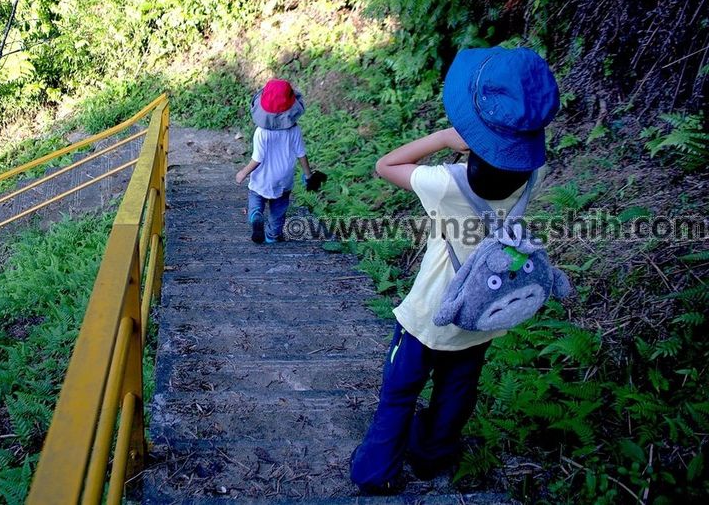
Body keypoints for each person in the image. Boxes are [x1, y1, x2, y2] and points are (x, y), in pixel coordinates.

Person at [349, 47, 561, 494]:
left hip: (429, 314)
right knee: (456, 393)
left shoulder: (446, 184)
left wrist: (446, 138)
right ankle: (430, 459)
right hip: (482, 312)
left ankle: (375, 472)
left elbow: (386, 165)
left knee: (400, 391)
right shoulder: (529, 180)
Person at [235, 79, 315, 244]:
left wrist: (243, 172)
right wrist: (308, 175)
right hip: (284, 177)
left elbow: (257, 158)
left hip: (262, 177)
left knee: (256, 197)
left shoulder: (261, 132)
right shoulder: (294, 129)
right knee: (279, 209)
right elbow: (301, 154)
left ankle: (256, 215)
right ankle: (272, 235)